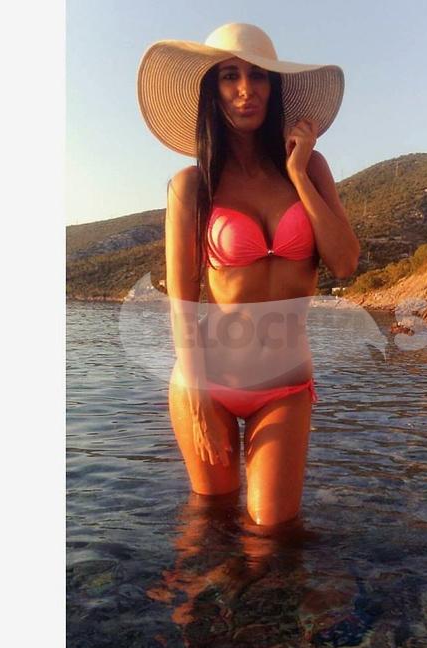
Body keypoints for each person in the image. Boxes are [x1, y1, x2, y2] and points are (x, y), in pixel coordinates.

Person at [137, 22, 360, 527]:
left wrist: (299, 174)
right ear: (211, 92)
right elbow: (183, 302)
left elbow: (345, 262)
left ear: (273, 87)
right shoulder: (192, 186)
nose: (245, 89)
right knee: (210, 526)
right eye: (229, 76)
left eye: (258, 76)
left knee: (272, 535)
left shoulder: (310, 168)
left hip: (285, 386)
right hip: (207, 383)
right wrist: (197, 402)